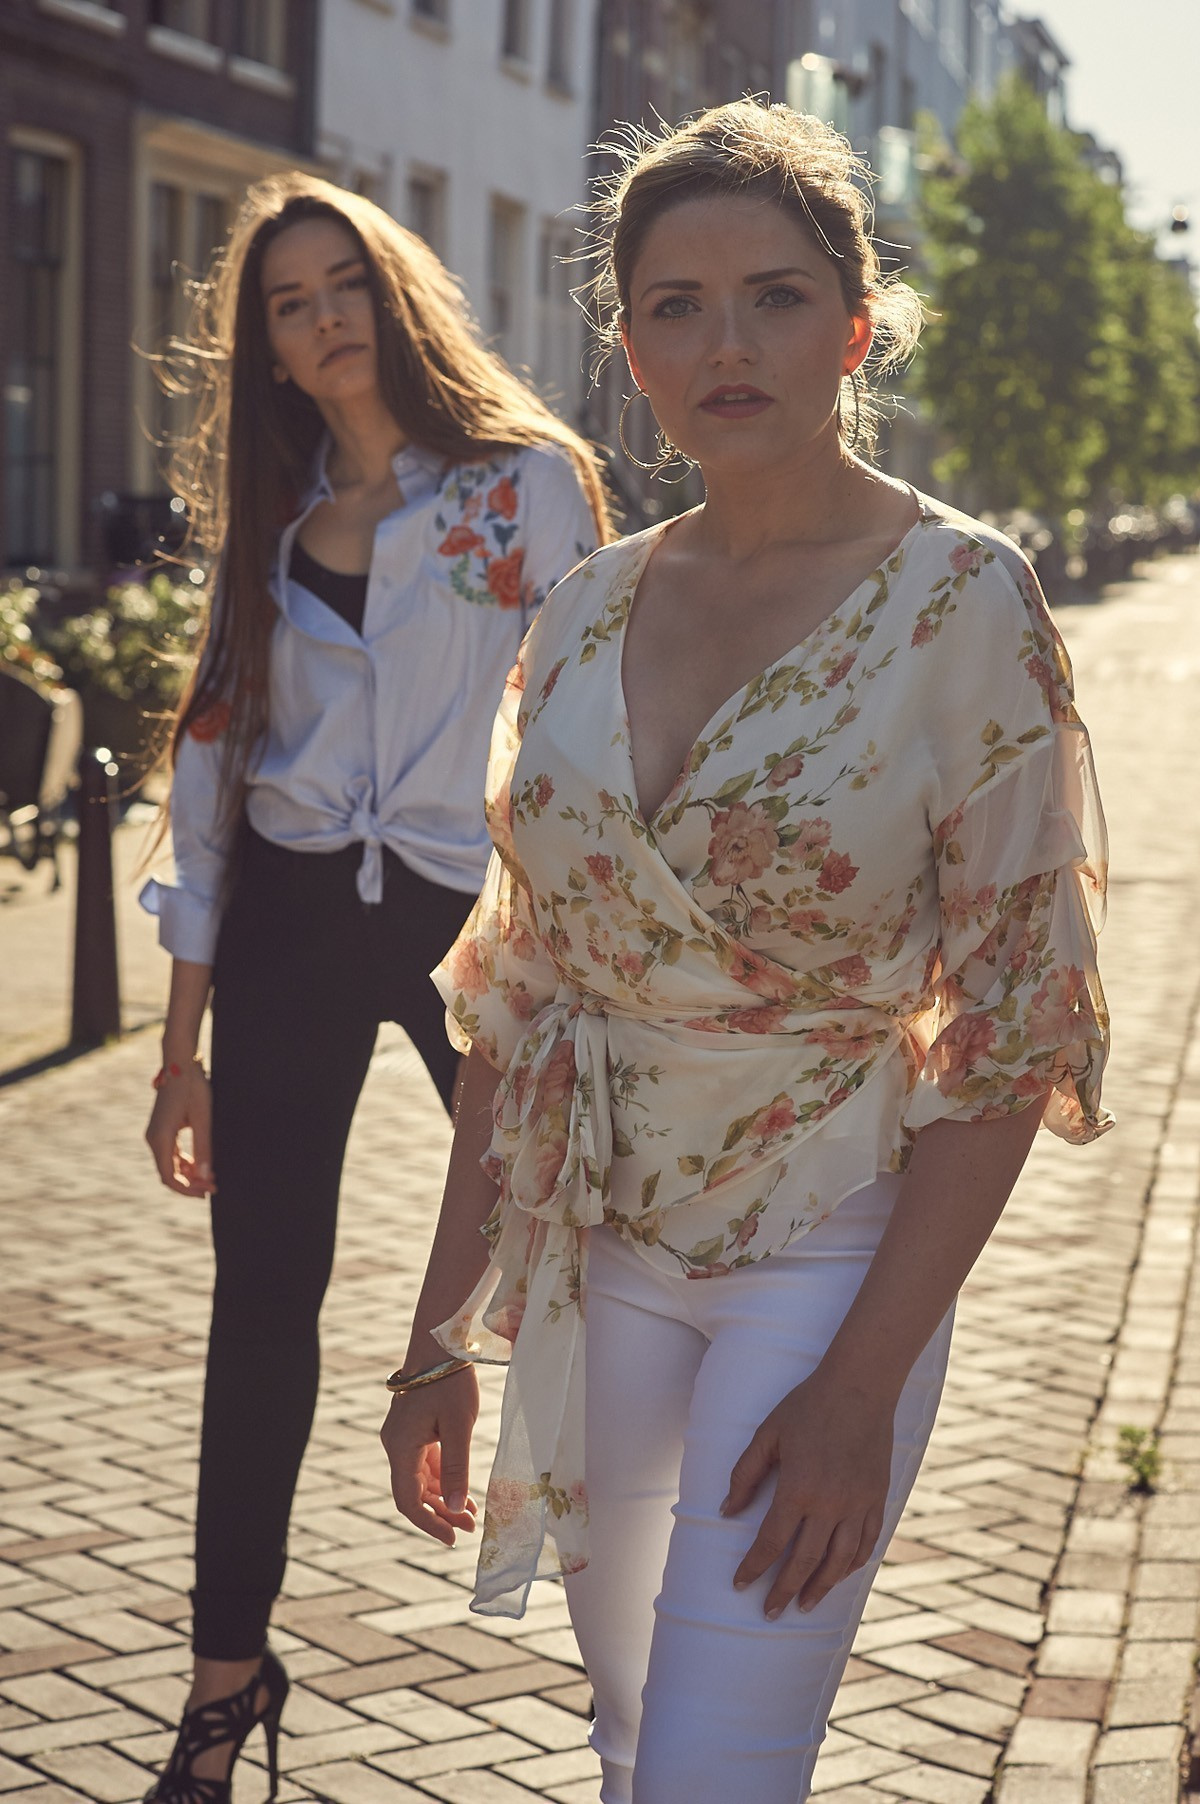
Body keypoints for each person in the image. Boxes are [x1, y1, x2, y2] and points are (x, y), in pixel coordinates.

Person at [381, 101, 1112, 1801]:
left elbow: (1013, 1026)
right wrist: (437, 1335)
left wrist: (861, 1388)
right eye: (678, 307)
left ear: (855, 328)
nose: (728, 344)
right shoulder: (585, 608)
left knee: (717, 1769)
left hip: (830, 1251)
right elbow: (518, 992)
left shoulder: (966, 600)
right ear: (630, 348)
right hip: (595, 1253)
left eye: (776, 298)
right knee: (637, 1742)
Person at [139, 170, 612, 1802]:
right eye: (289, 302)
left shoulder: (524, 486)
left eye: (344, 283)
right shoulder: (268, 532)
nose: (323, 316)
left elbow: (584, 726)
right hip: (284, 925)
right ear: (266, 346)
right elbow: (211, 783)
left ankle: (637, 1654)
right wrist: (179, 1049)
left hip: (465, 908)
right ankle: (222, 1686)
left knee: (577, 1239)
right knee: (261, 1308)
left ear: (394, 293)